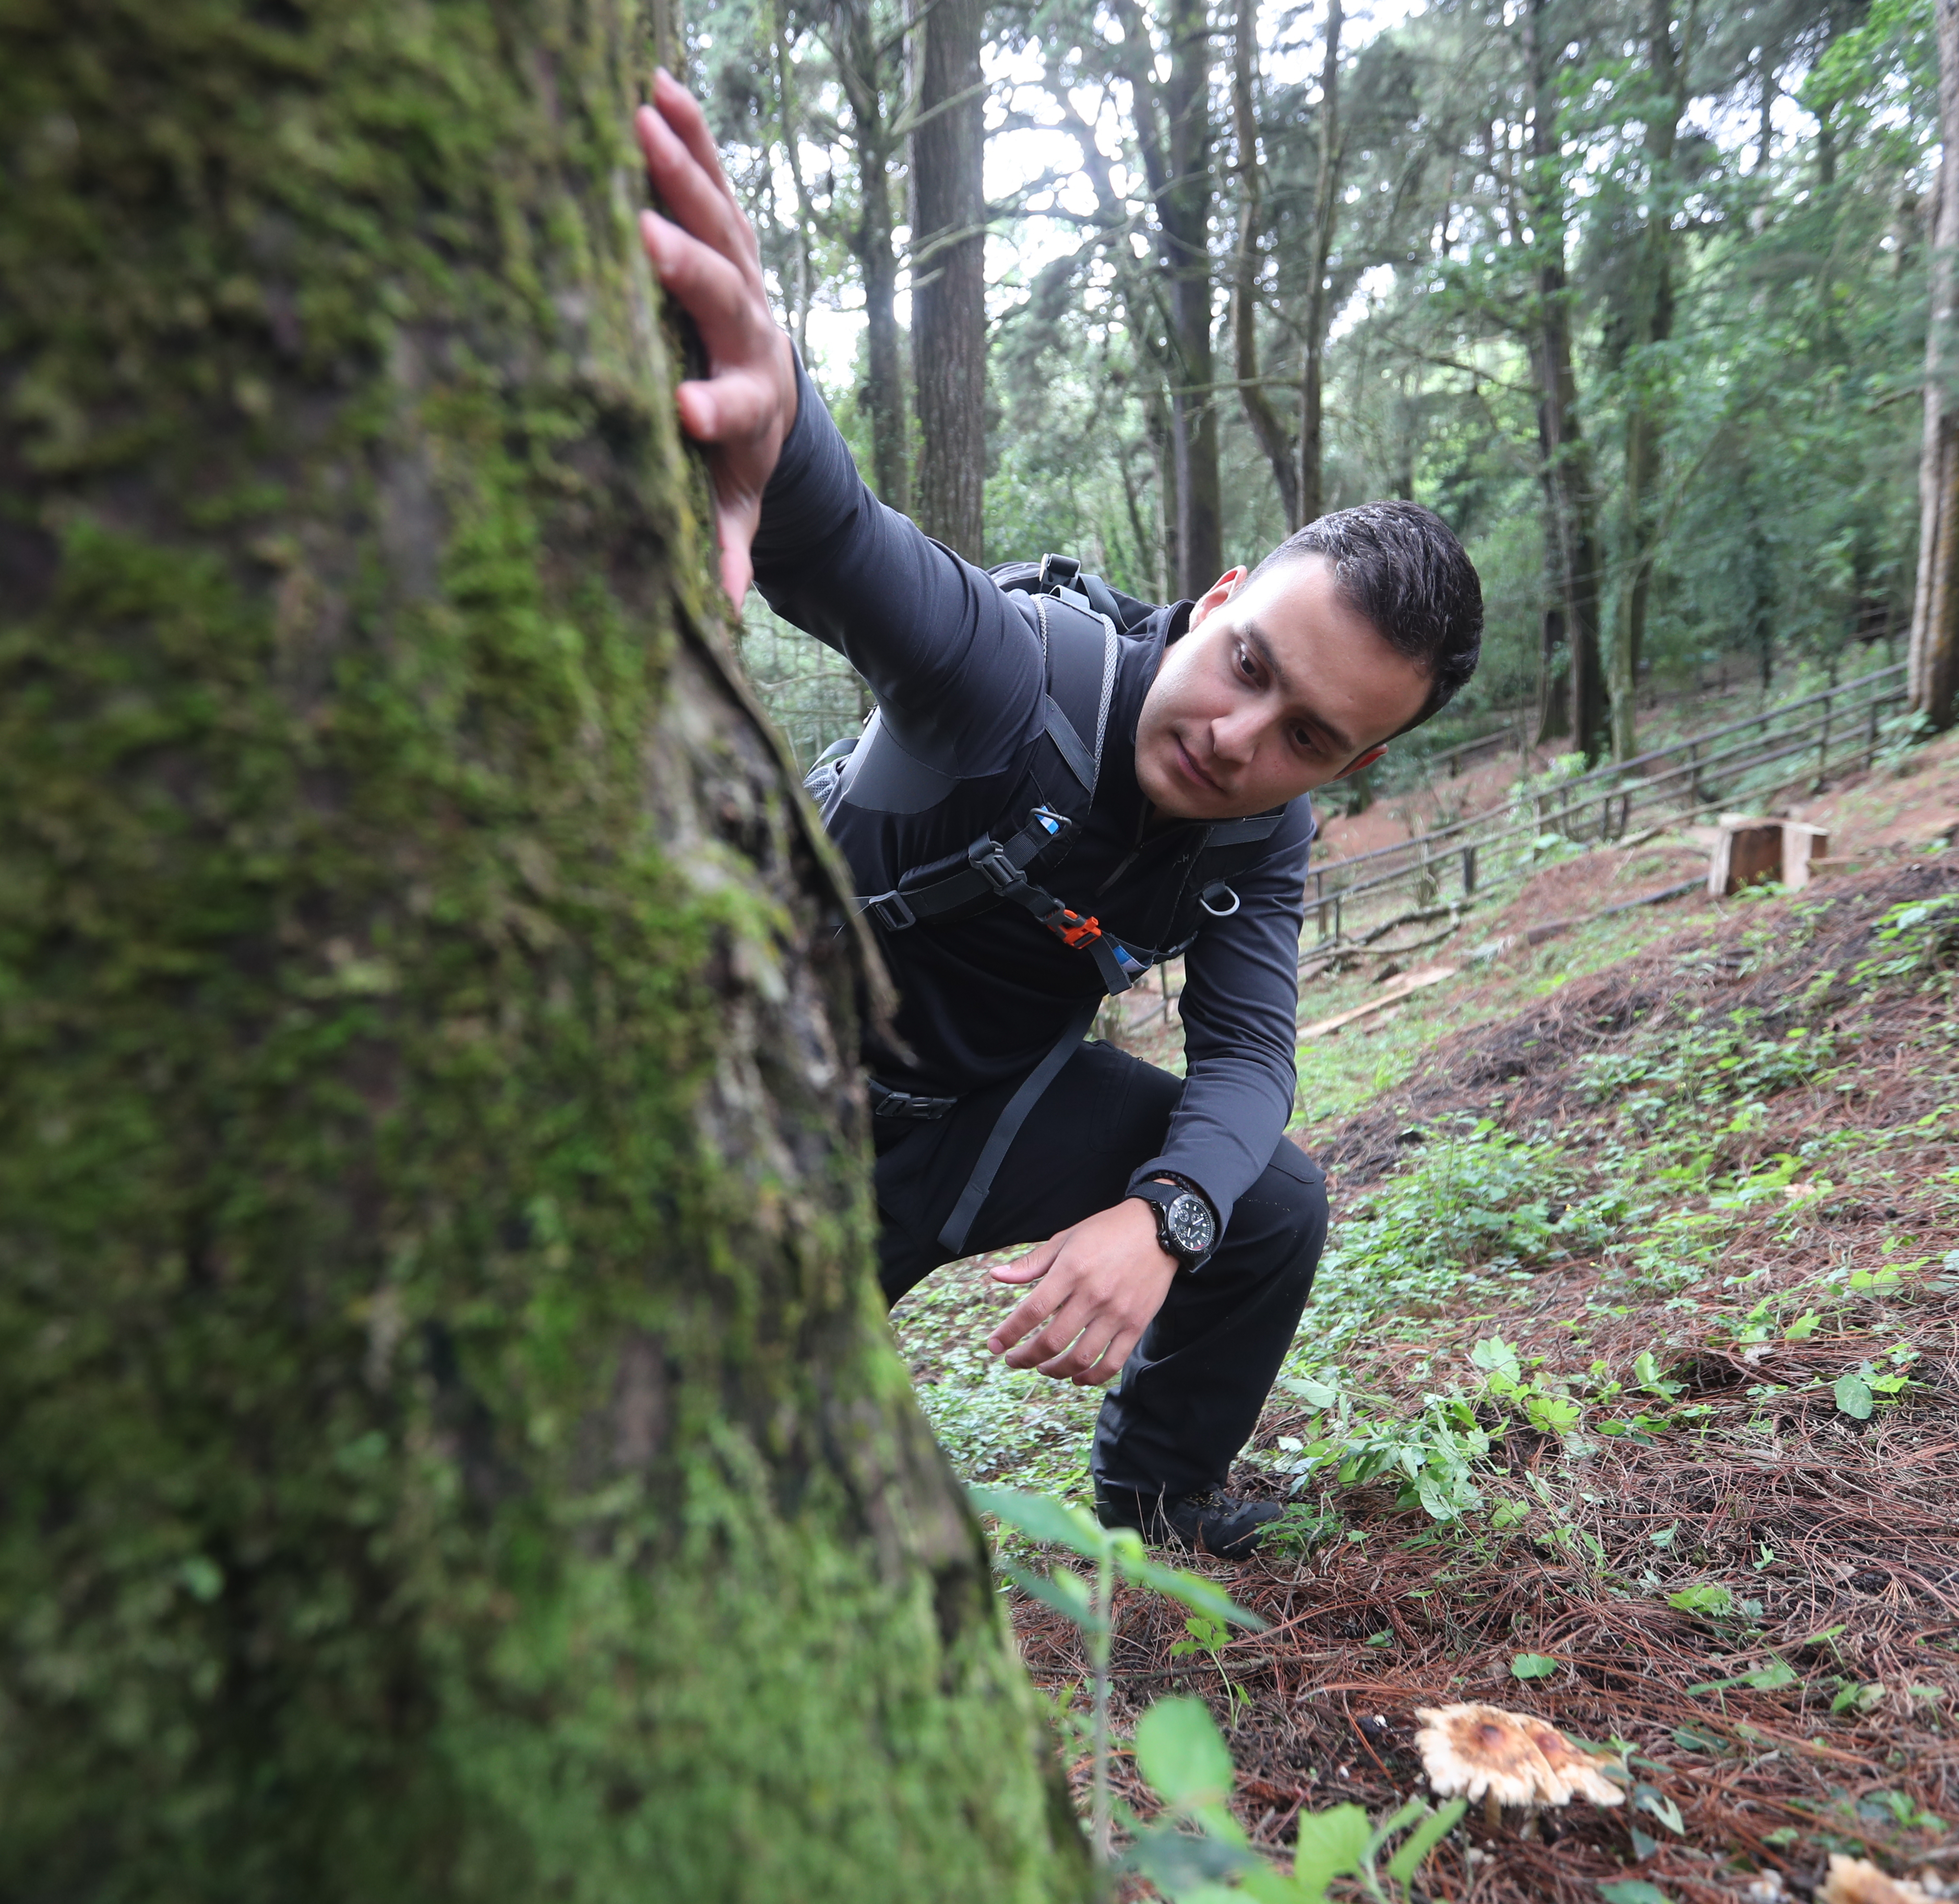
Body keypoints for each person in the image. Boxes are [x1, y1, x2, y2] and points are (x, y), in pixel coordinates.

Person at [636, 73, 1484, 1557]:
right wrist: (768, 397)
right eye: (1247, 665)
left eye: (1304, 736)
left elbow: (1249, 1060)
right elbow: (843, 538)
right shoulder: (1012, 676)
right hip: (760, 1098)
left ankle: (1158, 1502)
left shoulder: (1254, 838)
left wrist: (1165, 1221)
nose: (1233, 739)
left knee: (1261, 1199)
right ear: (1218, 600)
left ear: (1346, 768)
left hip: (979, 1122)